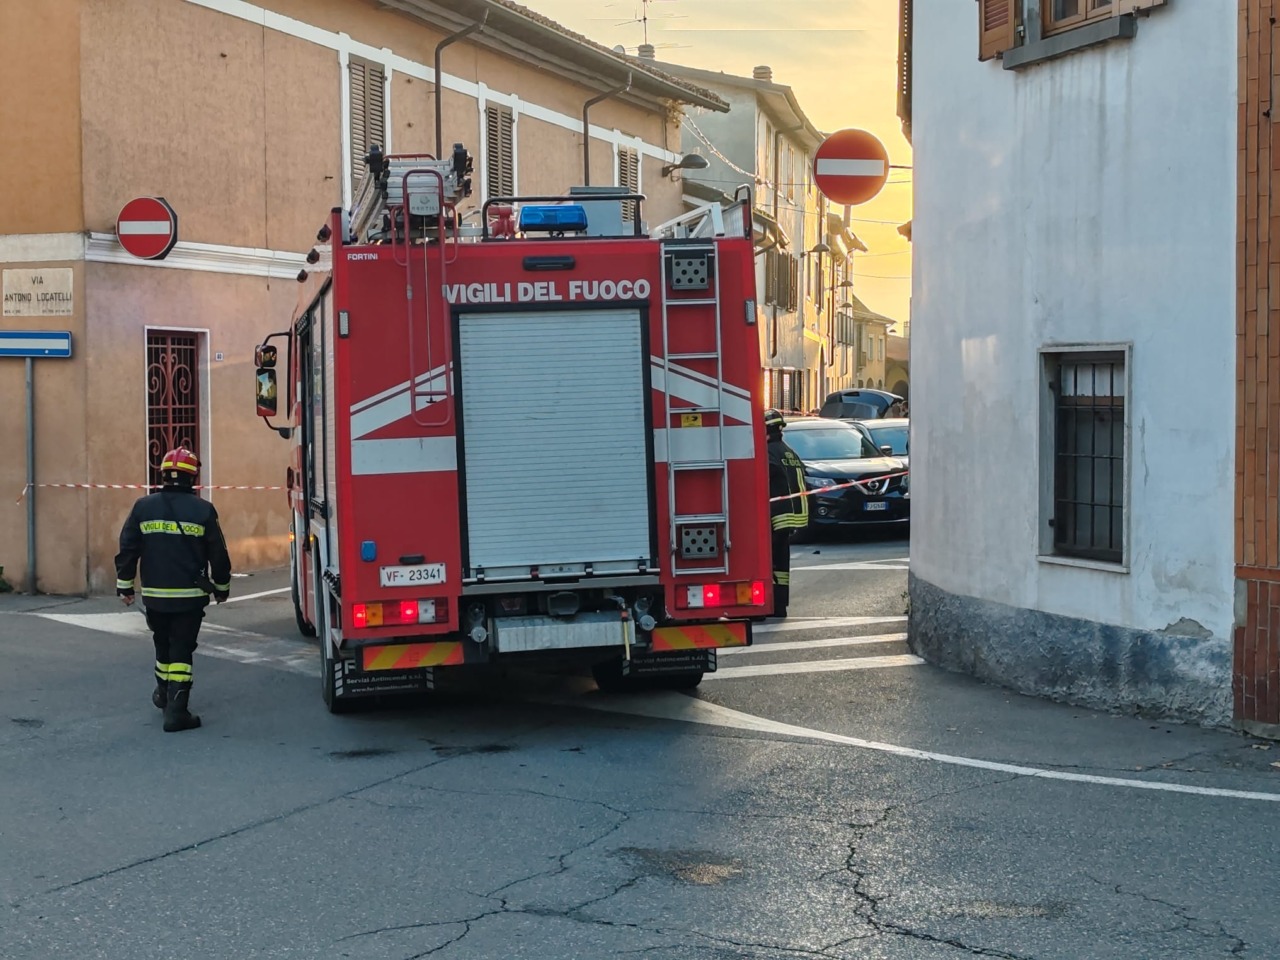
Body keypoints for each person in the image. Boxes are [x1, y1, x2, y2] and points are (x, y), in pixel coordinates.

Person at [115, 447, 232, 732]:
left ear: (164, 474)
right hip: (189, 597)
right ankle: (176, 712)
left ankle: (163, 693)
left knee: (162, 643)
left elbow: (128, 546)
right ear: (192, 477)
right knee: (181, 648)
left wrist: (125, 585)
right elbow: (218, 552)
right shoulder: (203, 510)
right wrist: (222, 587)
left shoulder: (143, 506)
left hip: (154, 595)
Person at [764, 409, 808, 617]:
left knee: (769, 561)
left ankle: (771, 605)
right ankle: (780, 606)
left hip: (777, 516)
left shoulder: (769, 452)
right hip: (792, 516)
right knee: (781, 563)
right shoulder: (789, 451)